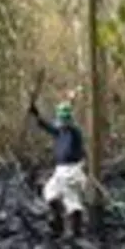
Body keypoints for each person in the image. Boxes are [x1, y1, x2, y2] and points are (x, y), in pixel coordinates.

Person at [30, 97, 87, 238]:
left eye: (63, 119)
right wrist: (36, 115)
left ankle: (76, 231)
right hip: (60, 170)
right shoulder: (60, 132)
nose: (61, 122)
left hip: (72, 170)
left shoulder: (74, 132)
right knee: (50, 192)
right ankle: (58, 224)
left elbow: (71, 128)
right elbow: (48, 127)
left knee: (72, 200)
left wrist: (67, 114)